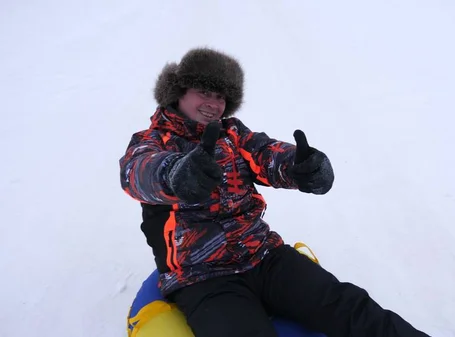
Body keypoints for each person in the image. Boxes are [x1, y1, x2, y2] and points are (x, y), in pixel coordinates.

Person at [119, 47, 431, 337]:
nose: (214, 103)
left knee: (349, 306)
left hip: (263, 254)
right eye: (204, 92)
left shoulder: (233, 134)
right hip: (203, 275)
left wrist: (302, 165)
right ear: (179, 92)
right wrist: (175, 175)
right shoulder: (152, 140)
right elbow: (137, 172)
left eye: (221, 96)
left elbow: (267, 154)